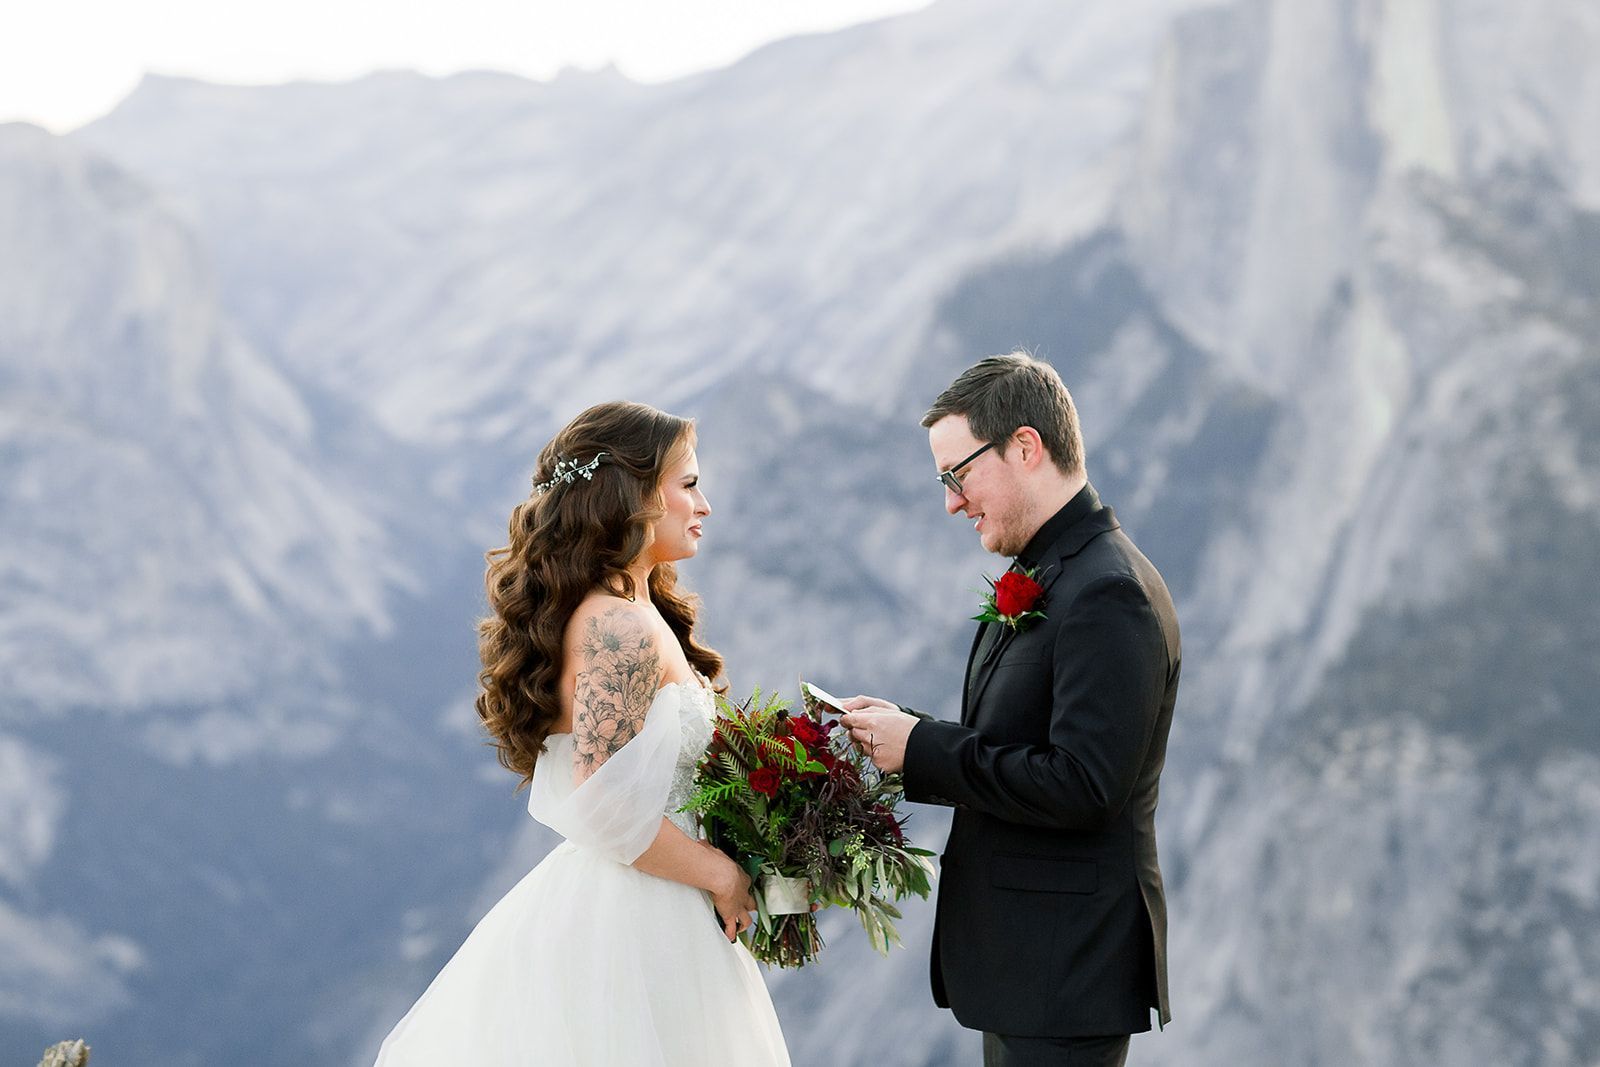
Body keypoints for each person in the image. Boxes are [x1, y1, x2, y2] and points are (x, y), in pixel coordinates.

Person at [375, 400, 789, 1066]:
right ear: (633, 496)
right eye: (687, 484)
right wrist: (720, 873)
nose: (705, 503)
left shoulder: (633, 608)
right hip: (638, 922)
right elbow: (603, 800)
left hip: (664, 903)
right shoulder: (615, 627)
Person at [839, 353, 1179, 1067]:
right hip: (1033, 972)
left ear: (1025, 447)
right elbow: (1017, 741)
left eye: (957, 474)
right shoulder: (1053, 572)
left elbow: (1083, 785)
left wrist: (925, 748)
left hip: (1066, 973)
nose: (951, 502)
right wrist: (900, 733)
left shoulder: (1108, 593)